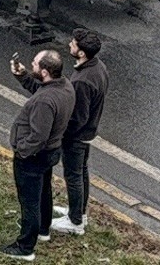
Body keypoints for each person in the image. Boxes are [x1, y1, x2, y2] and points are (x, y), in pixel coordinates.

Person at [2, 49, 75, 260]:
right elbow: (41, 91)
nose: (31, 64)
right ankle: (43, 228)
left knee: (29, 201)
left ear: (44, 72)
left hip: (33, 156)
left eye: (34, 64)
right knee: (44, 191)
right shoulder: (64, 86)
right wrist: (23, 75)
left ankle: (25, 247)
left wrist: (22, 150)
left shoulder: (44, 102)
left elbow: (38, 136)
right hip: (51, 152)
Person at [52, 30, 108, 235]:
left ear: (82, 53)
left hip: (76, 136)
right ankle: (79, 212)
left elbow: (77, 117)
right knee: (82, 172)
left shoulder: (83, 80)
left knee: (73, 175)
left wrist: (61, 134)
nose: (69, 45)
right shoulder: (98, 66)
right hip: (89, 132)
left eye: (73, 44)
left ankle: (75, 222)